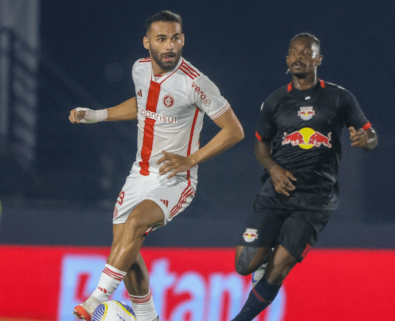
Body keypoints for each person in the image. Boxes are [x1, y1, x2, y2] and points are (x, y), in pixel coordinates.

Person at [69, 10, 244, 321]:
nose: (169, 46)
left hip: (175, 178)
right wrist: (96, 115)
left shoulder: (196, 83)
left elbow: (234, 130)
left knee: (136, 223)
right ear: (147, 42)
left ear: (183, 40)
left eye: (175, 38)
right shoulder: (139, 69)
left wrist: (191, 159)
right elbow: (141, 103)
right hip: (139, 174)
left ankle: (96, 299)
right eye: (161, 39)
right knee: (128, 249)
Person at [232, 33, 378, 321]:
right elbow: (260, 143)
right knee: (244, 265)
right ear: (287, 59)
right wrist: (273, 168)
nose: (299, 57)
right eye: (293, 52)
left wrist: (366, 140)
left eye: (306, 52)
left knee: (279, 269)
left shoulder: (340, 97)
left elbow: (370, 134)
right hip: (275, 192)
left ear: (318, 59)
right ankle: (263, 256)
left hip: (315, 200)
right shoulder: (275, 101)